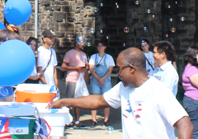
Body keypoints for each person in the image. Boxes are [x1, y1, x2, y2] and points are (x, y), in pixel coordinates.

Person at [50, 48, 193, 139]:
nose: (118, 74)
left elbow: (186, 125)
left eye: (120, 69)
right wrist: (65, 101)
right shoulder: (123, 88)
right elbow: (98, 101)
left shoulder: (158, 91)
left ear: (131, 69)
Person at [62, 34, 90, 128]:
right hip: (72, 79)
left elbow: (85, 66)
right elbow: (63, 66)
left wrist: (86, 71)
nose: (84, 45)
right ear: (77, 44)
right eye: (82, 43)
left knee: (79, 100)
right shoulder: (70, 53)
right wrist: (75, 68)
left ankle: (77, 121)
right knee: (70, 100)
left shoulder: (84, 54)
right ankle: (68, 121)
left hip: (81, 80)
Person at [88, 40, 115, 128]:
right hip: (95, 80)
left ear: (105, 47)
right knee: (94, 100)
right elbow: (91, 69)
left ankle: (106, 120)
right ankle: (93, 120)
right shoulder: (93, 57)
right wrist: (98, 78)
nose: (100, 47)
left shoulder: (109, 57)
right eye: (98, 46)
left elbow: (110, 70)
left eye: (101, 46)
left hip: (106, 80)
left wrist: (102, 78)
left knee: (106, 100)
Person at [182, 47, 198, 138]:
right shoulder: (192, 70)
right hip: (194, 101)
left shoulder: (188, 68)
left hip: (191, 101)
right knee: (196, 130)